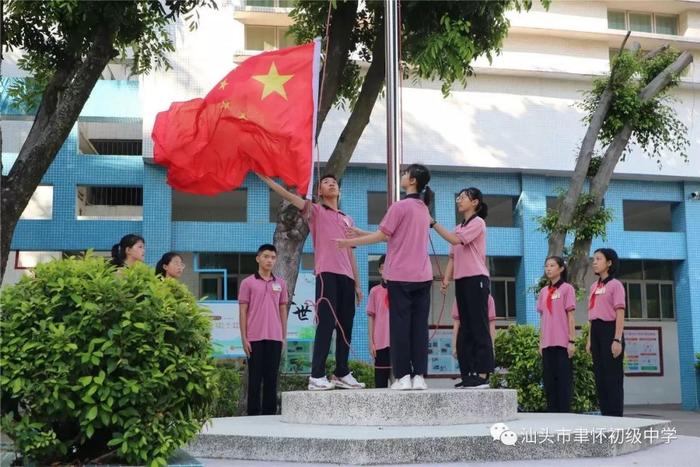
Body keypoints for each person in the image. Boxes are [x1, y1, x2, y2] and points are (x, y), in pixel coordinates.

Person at [259, 173, 364, 390]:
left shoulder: (347, 218)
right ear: (319, 192)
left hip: (347, 278)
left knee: (346, 325)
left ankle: (341, 372)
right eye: (326, 182)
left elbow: (351, 252)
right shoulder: (314, 210)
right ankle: (317, 375)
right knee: (326, 324)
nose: (331, 184)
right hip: (327, 274)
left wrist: (358, 284)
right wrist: (269, 182)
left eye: (334, 182)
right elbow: (288, 194)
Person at [337, 164, 433, 391]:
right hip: (423, 275)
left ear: (412, 180)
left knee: (399, 327)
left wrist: (348, 242)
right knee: (419, 328)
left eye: (405, 173)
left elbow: (383, 235)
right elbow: (393, 237)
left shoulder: (399, 207)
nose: (402, 176)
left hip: (400, 275)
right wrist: (360, 232)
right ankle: (419, 376)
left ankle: (402, 377)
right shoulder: (423, 209)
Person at [434, 187, 492, 388]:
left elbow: (455, 240)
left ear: (475, 202)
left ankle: (483, 374)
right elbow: (453, 256)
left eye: (464, 197)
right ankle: (468, 374)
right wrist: (446, 279)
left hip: (477, 279)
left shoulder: (478, 223)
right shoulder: (459, 226)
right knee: (465, 329)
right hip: (462, 280)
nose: (459, 200)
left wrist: (432, 223)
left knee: (479, 326)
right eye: (458, 197)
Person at [239, 244, 288, 415]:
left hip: (275, 337)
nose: (269, 260)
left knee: (271, 379)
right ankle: (252, 415)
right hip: (254, 337)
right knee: (255, 378)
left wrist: (283, 336)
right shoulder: (248, 283)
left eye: (273, 257)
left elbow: (282, 310)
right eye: (266, 256)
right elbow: (243, 311)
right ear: (258, 258)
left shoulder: (280, 283)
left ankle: (269, 415)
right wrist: (244, 338)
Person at [586, 248, 626, 417]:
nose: (594, 262)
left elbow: (620, 312)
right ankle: (605, 416)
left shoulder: (615, 285)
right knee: (600, 376)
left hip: (610, 330)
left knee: (612, 377)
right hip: (596, 331)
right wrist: (589, 340)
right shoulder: (594, 286)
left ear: (609, 263)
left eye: (598, 259)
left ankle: (616, 416)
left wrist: (617, 339)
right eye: (594, 259)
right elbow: (591, 315)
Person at [537, 256, 576, 412]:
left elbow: (570, 315)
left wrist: (572, 341)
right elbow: (542, 318)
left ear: (561, 268)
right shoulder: (543, 291)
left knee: (563, 382)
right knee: (549, 382)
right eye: (546, 265)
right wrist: (541, 341)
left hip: (562, 343)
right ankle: (553, 415)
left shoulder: (567, 289)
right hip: (547, 344)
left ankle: (565, 415)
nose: (548, 268)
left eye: (552, 265)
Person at [451, 294, 496, 388]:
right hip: (466, 338)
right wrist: (454, 346)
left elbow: (491, 324)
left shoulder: (488, 298)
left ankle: (482, 378)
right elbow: (456, 323)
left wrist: (491, 346)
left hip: (481, 339)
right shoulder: (459, 298)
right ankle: (466, 378)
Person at [367, 255, 391, 388]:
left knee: (399, 382)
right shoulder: (374, 291)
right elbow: (371, 317)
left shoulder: (400, 291)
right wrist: (371, 343)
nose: (386, 270)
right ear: (379, 270)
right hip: (380, 343)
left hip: (398, 344)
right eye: (383, 268)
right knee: (380, 384)